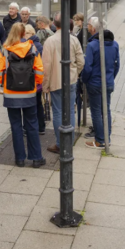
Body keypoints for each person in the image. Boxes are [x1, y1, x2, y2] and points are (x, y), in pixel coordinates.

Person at [0, 23, 46, 168]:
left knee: (16, 126)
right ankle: (36, 158)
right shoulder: (32, 48)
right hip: (29, 93)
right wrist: (35, 84)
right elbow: (39, 70)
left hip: (11, 94)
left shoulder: (4, 50)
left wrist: (4, 84)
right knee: (32, 124)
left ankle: (20, 159)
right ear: (24, 33)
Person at [41, 18, 84, 154]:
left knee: (58, 112)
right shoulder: (74, 39)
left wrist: (45, 85)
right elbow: (81, 61)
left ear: (54, 24)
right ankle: (69, 142)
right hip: (71, 80)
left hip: (55, 80)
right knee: (70, 110)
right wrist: (75, 73)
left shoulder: (50, 41)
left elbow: (46, 66)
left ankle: (60, 144)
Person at [81, 17, 120, 149]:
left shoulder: (92, 45)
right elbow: (117, 65)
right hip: (108, 83)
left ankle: (99, 140)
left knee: (96, 111)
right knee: (106, 110)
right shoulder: (114, 45)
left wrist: (85, 80)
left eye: (89, 26)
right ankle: (106, 138)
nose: (88, 28)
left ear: (93, 28)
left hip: (95, 84)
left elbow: (87, 67)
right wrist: (110, 78)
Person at [24, 24, 46, 136]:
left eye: (26, 33)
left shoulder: (31, 45)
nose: (24, 35)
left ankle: (34, 128)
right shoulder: (38, 44)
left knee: (33, 104)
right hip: (37, 80)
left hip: (33, 80)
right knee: (38, 104)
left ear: (31, 34)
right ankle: (41, 127)